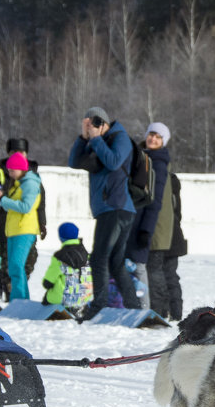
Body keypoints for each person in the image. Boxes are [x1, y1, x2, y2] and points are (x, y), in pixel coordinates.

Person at [67, 105, 140, 318]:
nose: (93, 127)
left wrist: (96, 139)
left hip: (116, 208)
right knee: (115, 262)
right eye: (89, 123)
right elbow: (74, 162)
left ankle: (98, 307)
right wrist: (83, 138)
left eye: (96, 123)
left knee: (99, 258)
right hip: (110, 209)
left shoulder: (120, 137)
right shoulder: (94, 143)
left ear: (106, 124)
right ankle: (133, 307)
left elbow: (114, 161)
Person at [126, 122, 172, 316]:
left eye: (158, 137)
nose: (153, 139)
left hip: (143, 220)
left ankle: (145, 309)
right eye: (151, 135)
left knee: (139, 266)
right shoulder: (141, 156)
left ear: (163, 142)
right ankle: (129, 304)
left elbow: (155, 201)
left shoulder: (158, 163)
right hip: (132, 217)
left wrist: (146, 229)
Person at [0, 151, 41, 300]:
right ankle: (19, 300)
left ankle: (20, 300)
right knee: (13, 268)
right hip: (13, 230)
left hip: (24, 230)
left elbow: (26, 207)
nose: (10, 174)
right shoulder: (18, 184)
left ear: (20, 169)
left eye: (12, 170)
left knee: (17, 266)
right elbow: (10, 206)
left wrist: (4, 200)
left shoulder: (30, 184)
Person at [154, 171, 187, 321]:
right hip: (173, 234)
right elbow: (178, 211)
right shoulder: (172, 179)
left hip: (166, 235)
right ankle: (175, 311)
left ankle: (167, 310)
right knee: (170, 275)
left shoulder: (168, 179)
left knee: (162, 275)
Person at [42, 222, 90, 312]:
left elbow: (48, 281)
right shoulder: (86, 254)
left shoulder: (59, 256)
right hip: (86, 297)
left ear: (61, 237)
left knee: (50, 293)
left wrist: (47, 285)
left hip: (64, 298)